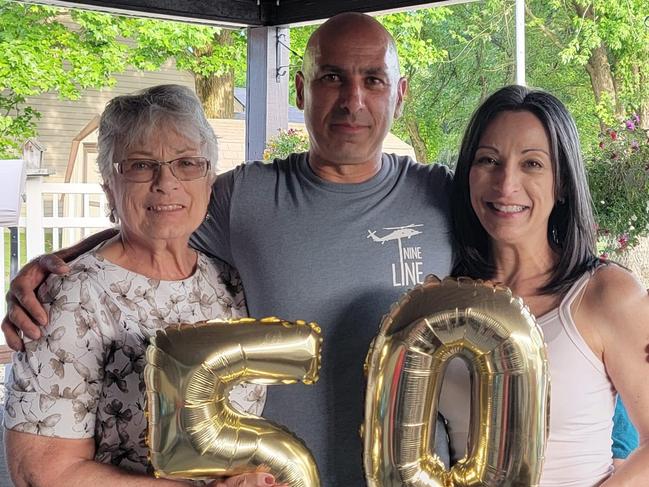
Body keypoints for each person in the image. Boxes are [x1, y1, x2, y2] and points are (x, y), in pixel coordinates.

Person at [1, 13, 636, 484]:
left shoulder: (446, 196)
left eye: (372, 79)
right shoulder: (246, 198)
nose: (352, 100)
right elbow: (158, 210)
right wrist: (52, 268)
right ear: (302, 89)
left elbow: (524, 213)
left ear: (399, 93)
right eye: (332, 77)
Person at [3, 85, 283, 487]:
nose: (166, 182)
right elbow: (44, 472)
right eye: (139, 165)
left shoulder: (229, 280)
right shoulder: (72, 297)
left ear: (209, 181)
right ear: (108, 189)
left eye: (187, 163)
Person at [441, 84, 649, 486]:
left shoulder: (606, 294)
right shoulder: (446, 300)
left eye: (532, 164)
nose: (506, 184)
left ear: (564, 183)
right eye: (489, 160)